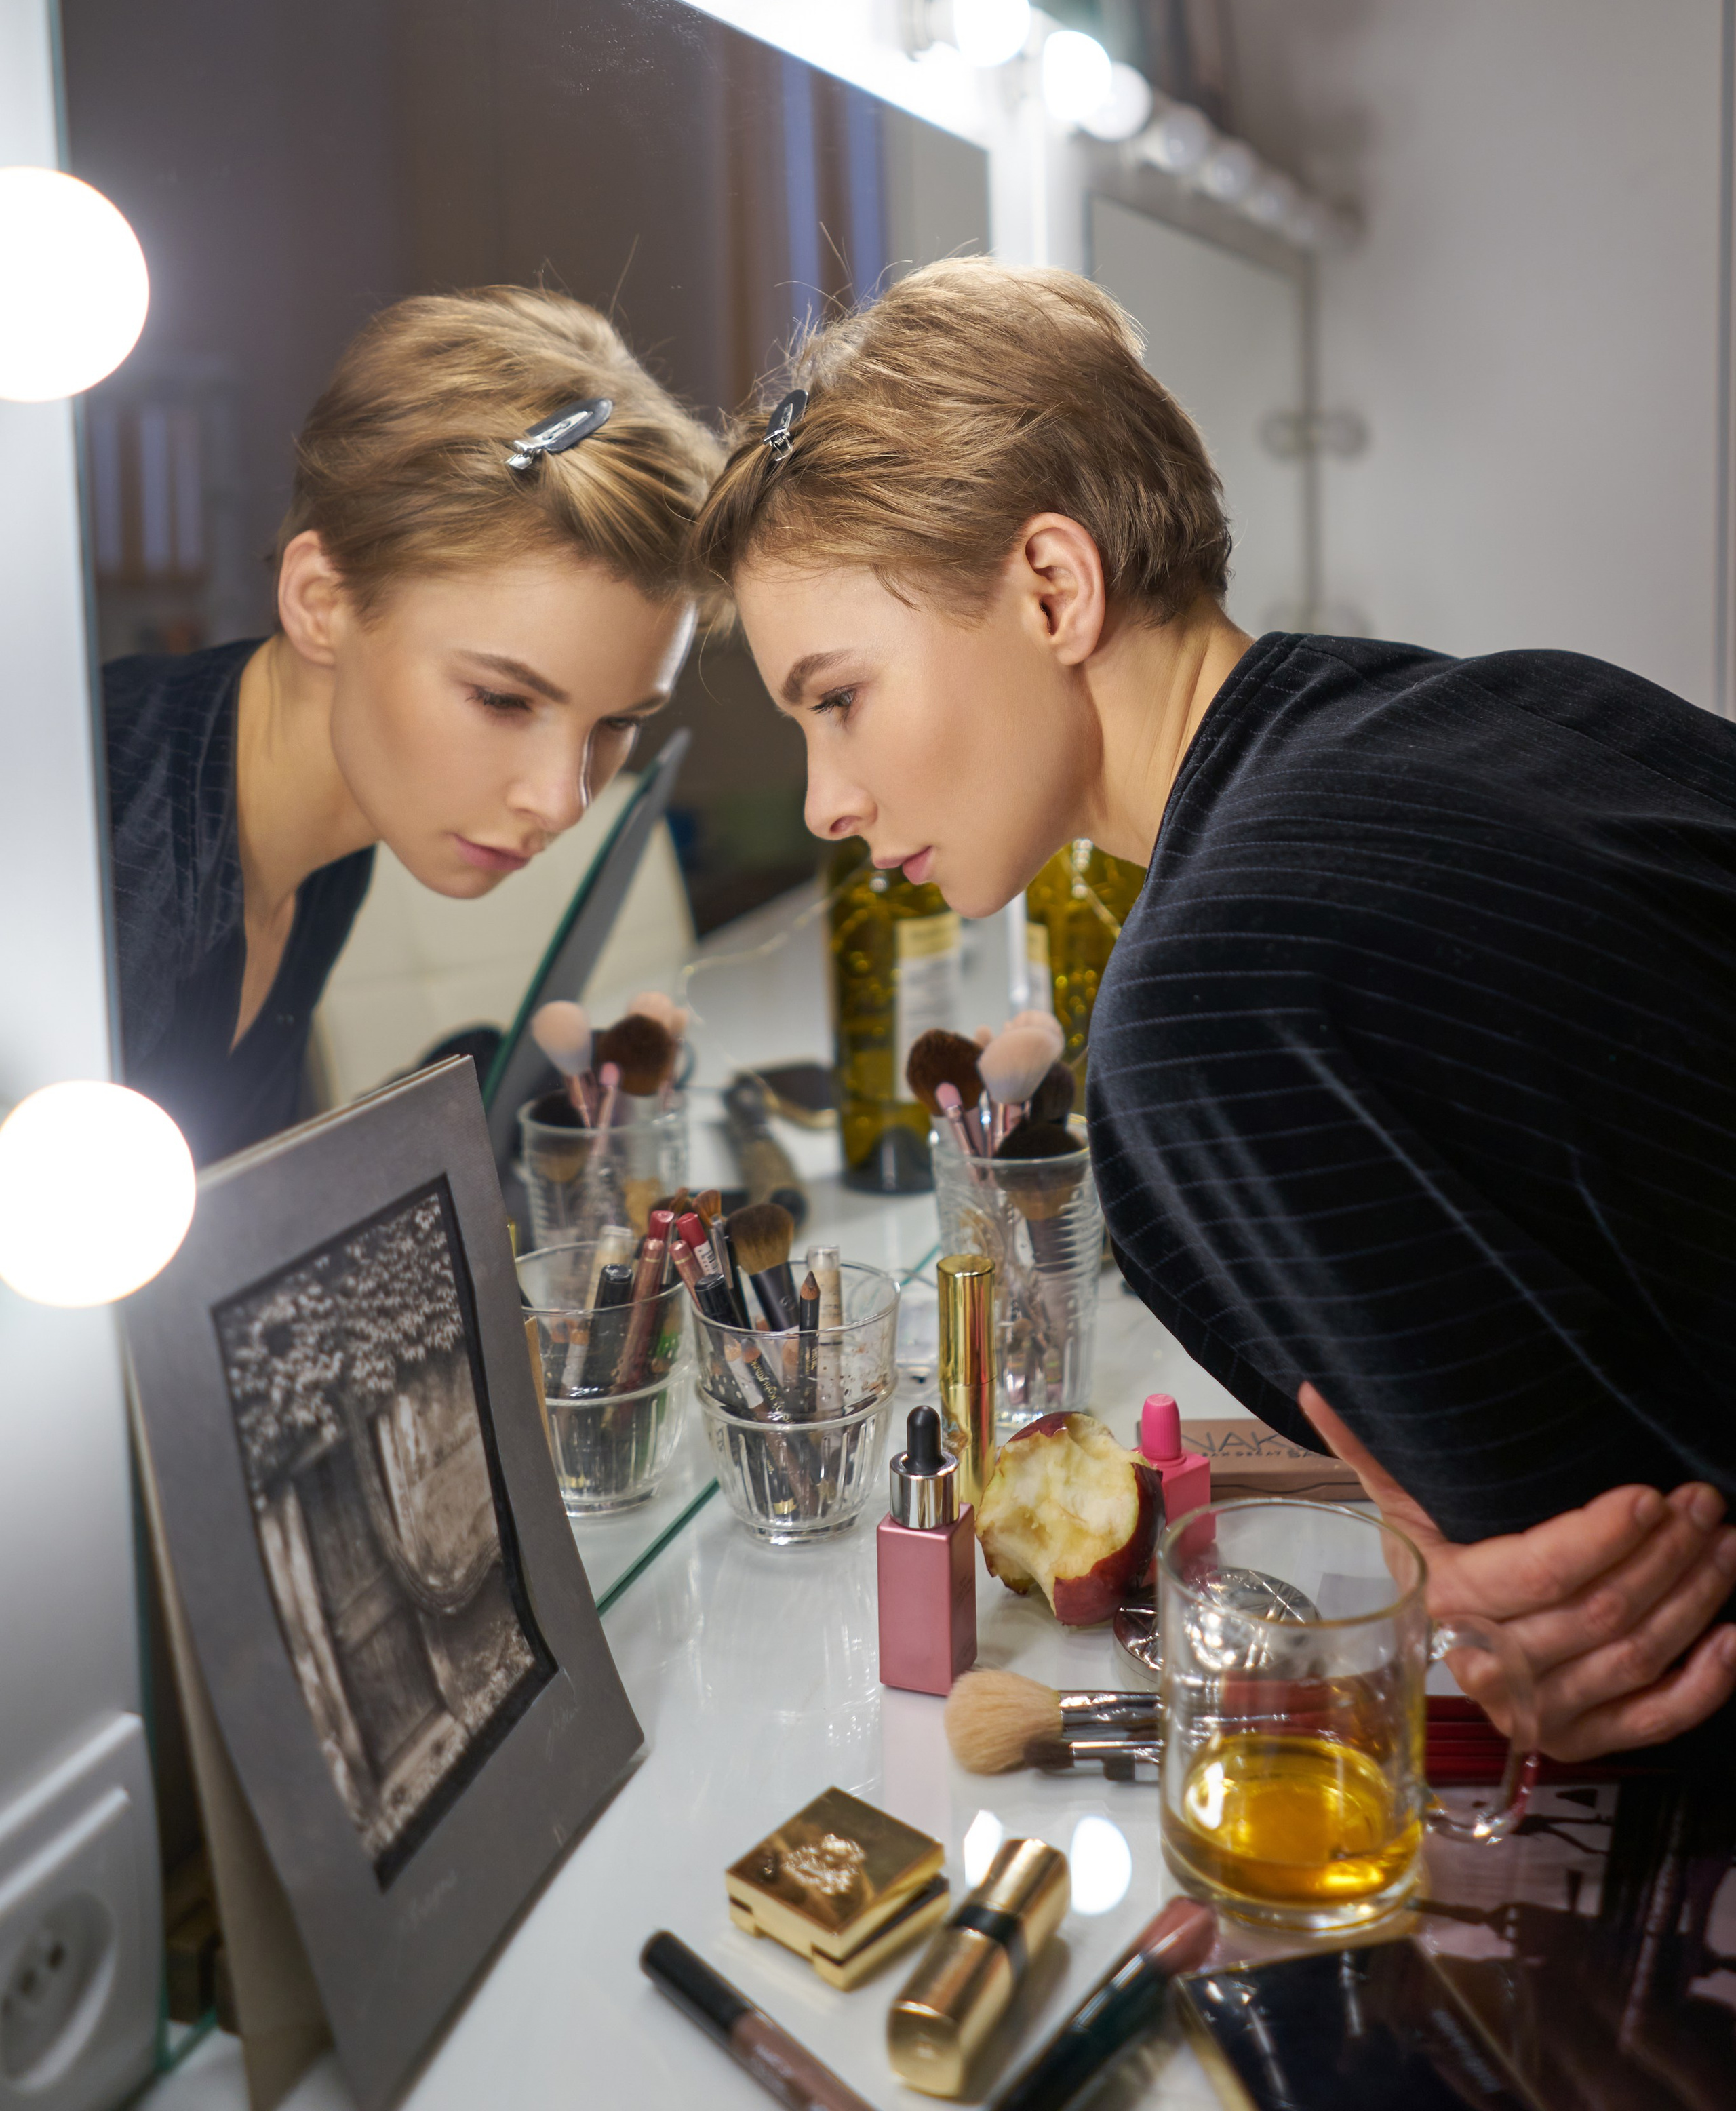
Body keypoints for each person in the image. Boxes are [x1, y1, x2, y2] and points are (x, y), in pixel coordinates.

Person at [690, 257, 1736, 1759]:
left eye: (838, 697)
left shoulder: (1205, 1006)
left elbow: (1625, 1621)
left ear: (1052, 586)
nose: (829, 802)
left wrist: (1462, 1616)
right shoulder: (1512, 704)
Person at [104, 286, 717, 1167]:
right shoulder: (110, 870)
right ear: (322, 601)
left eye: (618, 721)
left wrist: (519, 1105)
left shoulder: (320, 821)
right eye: (502, 699)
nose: (560, 800)